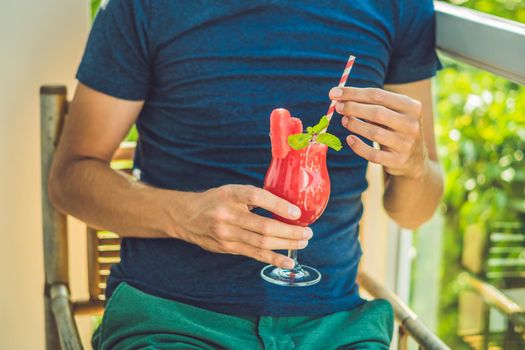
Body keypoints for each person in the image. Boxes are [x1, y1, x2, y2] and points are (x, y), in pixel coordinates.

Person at [49, 0, 443, 349]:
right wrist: (184, 215)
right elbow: (69, 179)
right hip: (172, 320)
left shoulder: (399, 7)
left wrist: (412, 165)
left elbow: (414, 213)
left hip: (336, 328)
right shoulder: (144, 7)